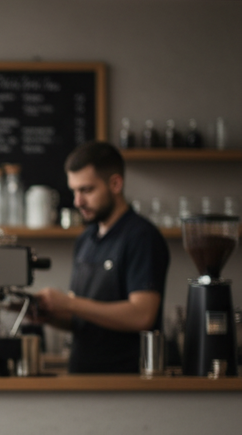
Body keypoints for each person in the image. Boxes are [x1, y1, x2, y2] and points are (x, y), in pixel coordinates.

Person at [35, 141, 170, 373]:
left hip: (125, 382)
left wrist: (69, 302)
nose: (78, 202)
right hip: (82, 377)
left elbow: (142, 315)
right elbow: (82, 319)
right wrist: (47, 315)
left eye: (86, 190)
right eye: (74, 191)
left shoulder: (141, 237)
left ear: (115, 183)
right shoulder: (85, 240)